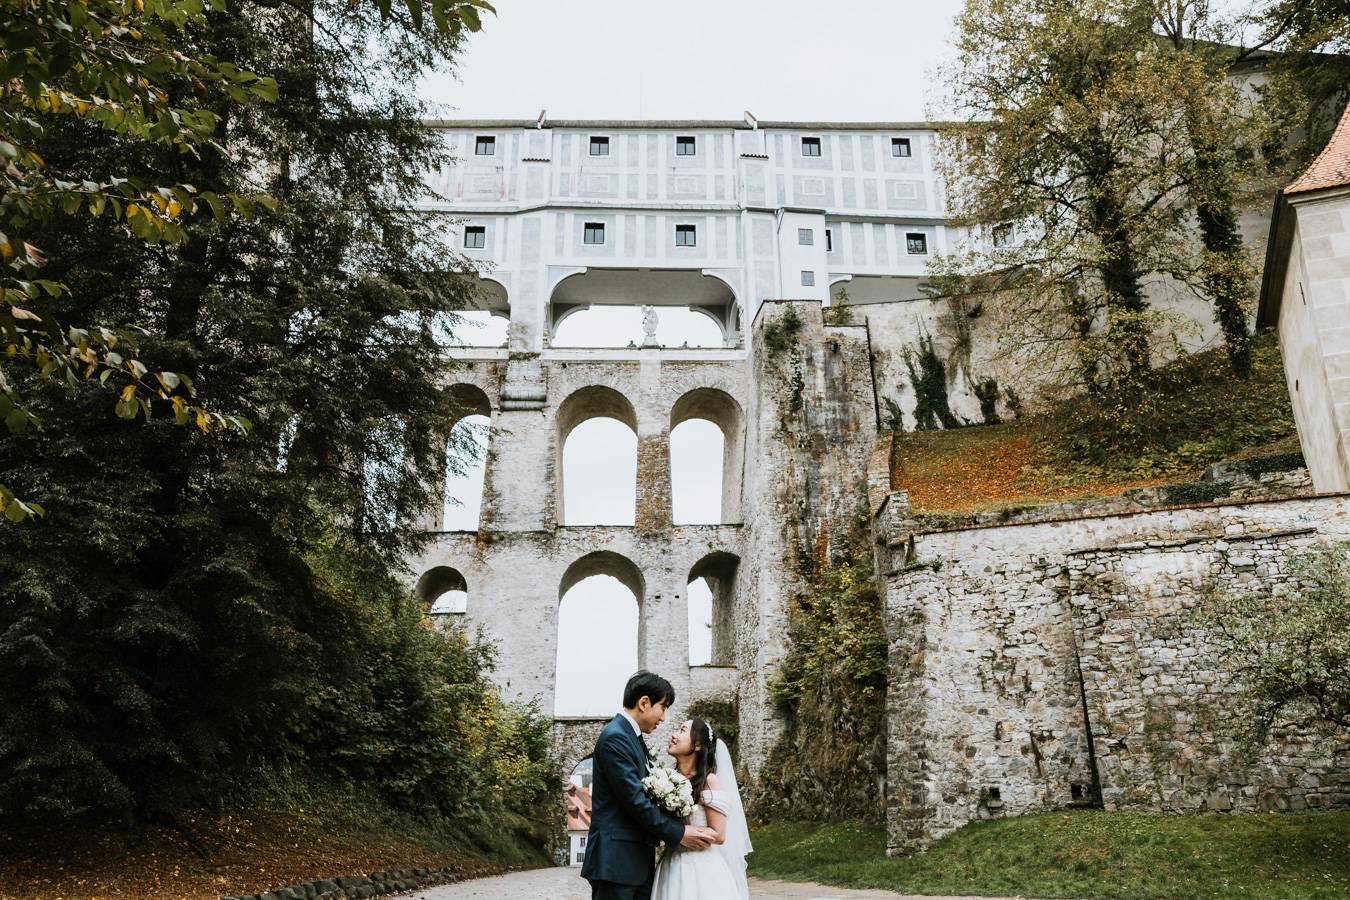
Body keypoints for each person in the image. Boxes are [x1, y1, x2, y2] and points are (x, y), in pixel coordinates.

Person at [582, 672, 717, 900]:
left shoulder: (633, 739)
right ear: (644, 703)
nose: (663, 717)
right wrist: (679, 833)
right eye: (663, 707)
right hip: (617, 862)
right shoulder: (616, 738)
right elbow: (634, 800)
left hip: (634, 862)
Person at [650, 717, 753, 900]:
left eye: (682, 730)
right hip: (671, 864)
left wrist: (685, 834)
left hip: (701, 868)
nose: (674, 735)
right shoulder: (665, 780)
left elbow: (719, 835)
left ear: (697, 745)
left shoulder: (709, 781)